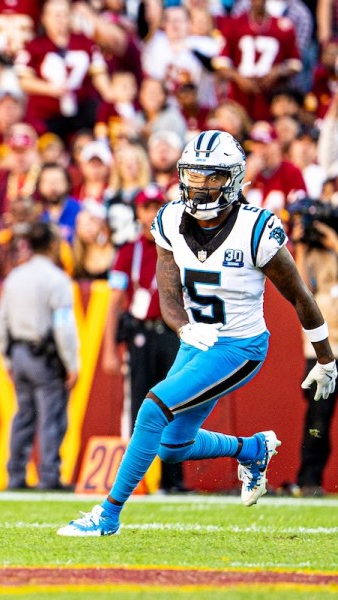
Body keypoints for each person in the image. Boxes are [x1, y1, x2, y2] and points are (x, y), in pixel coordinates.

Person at [58, 130, 337, 537]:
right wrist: (185, 326)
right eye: (193, 175)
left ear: (234, 179)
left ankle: (108, 514)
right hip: (198, 339)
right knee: (172, 446)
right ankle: (253, 450)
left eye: (212, 177)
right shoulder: (169, 218)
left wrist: (326, 359)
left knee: (153, 409)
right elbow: (168, 293)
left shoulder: (256, 229)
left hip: (240, 346)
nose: (200, 186)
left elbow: (301, 297)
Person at [100, 184, 189, 494]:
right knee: (139, 405)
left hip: (172, 333)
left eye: (156, 206)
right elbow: (114, 301)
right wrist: (109, 348)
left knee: (175, 404)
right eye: (146, 207)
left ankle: (172, 481)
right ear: (138, 213)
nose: (151, 213)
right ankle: (132, 482)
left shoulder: (179, 247)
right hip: (141, 333)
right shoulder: (129, 250)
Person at [0, 222, 79, 490]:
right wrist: (72, 363)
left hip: (18, 352)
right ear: (53, 246)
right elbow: (63, 325)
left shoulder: (15, 276)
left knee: (23, 415)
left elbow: (0, 323)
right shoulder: (57, 279)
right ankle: (49, 475)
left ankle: (16, 474)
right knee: (51, 416)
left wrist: (6, 359)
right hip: (44, 354)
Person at [290, 207, 338, 497]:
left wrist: (334, 243)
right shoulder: (312, 254)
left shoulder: (333, 247)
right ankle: (309, 478)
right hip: (322, 349)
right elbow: (301, 289)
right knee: (318, 418)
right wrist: (302, 248)